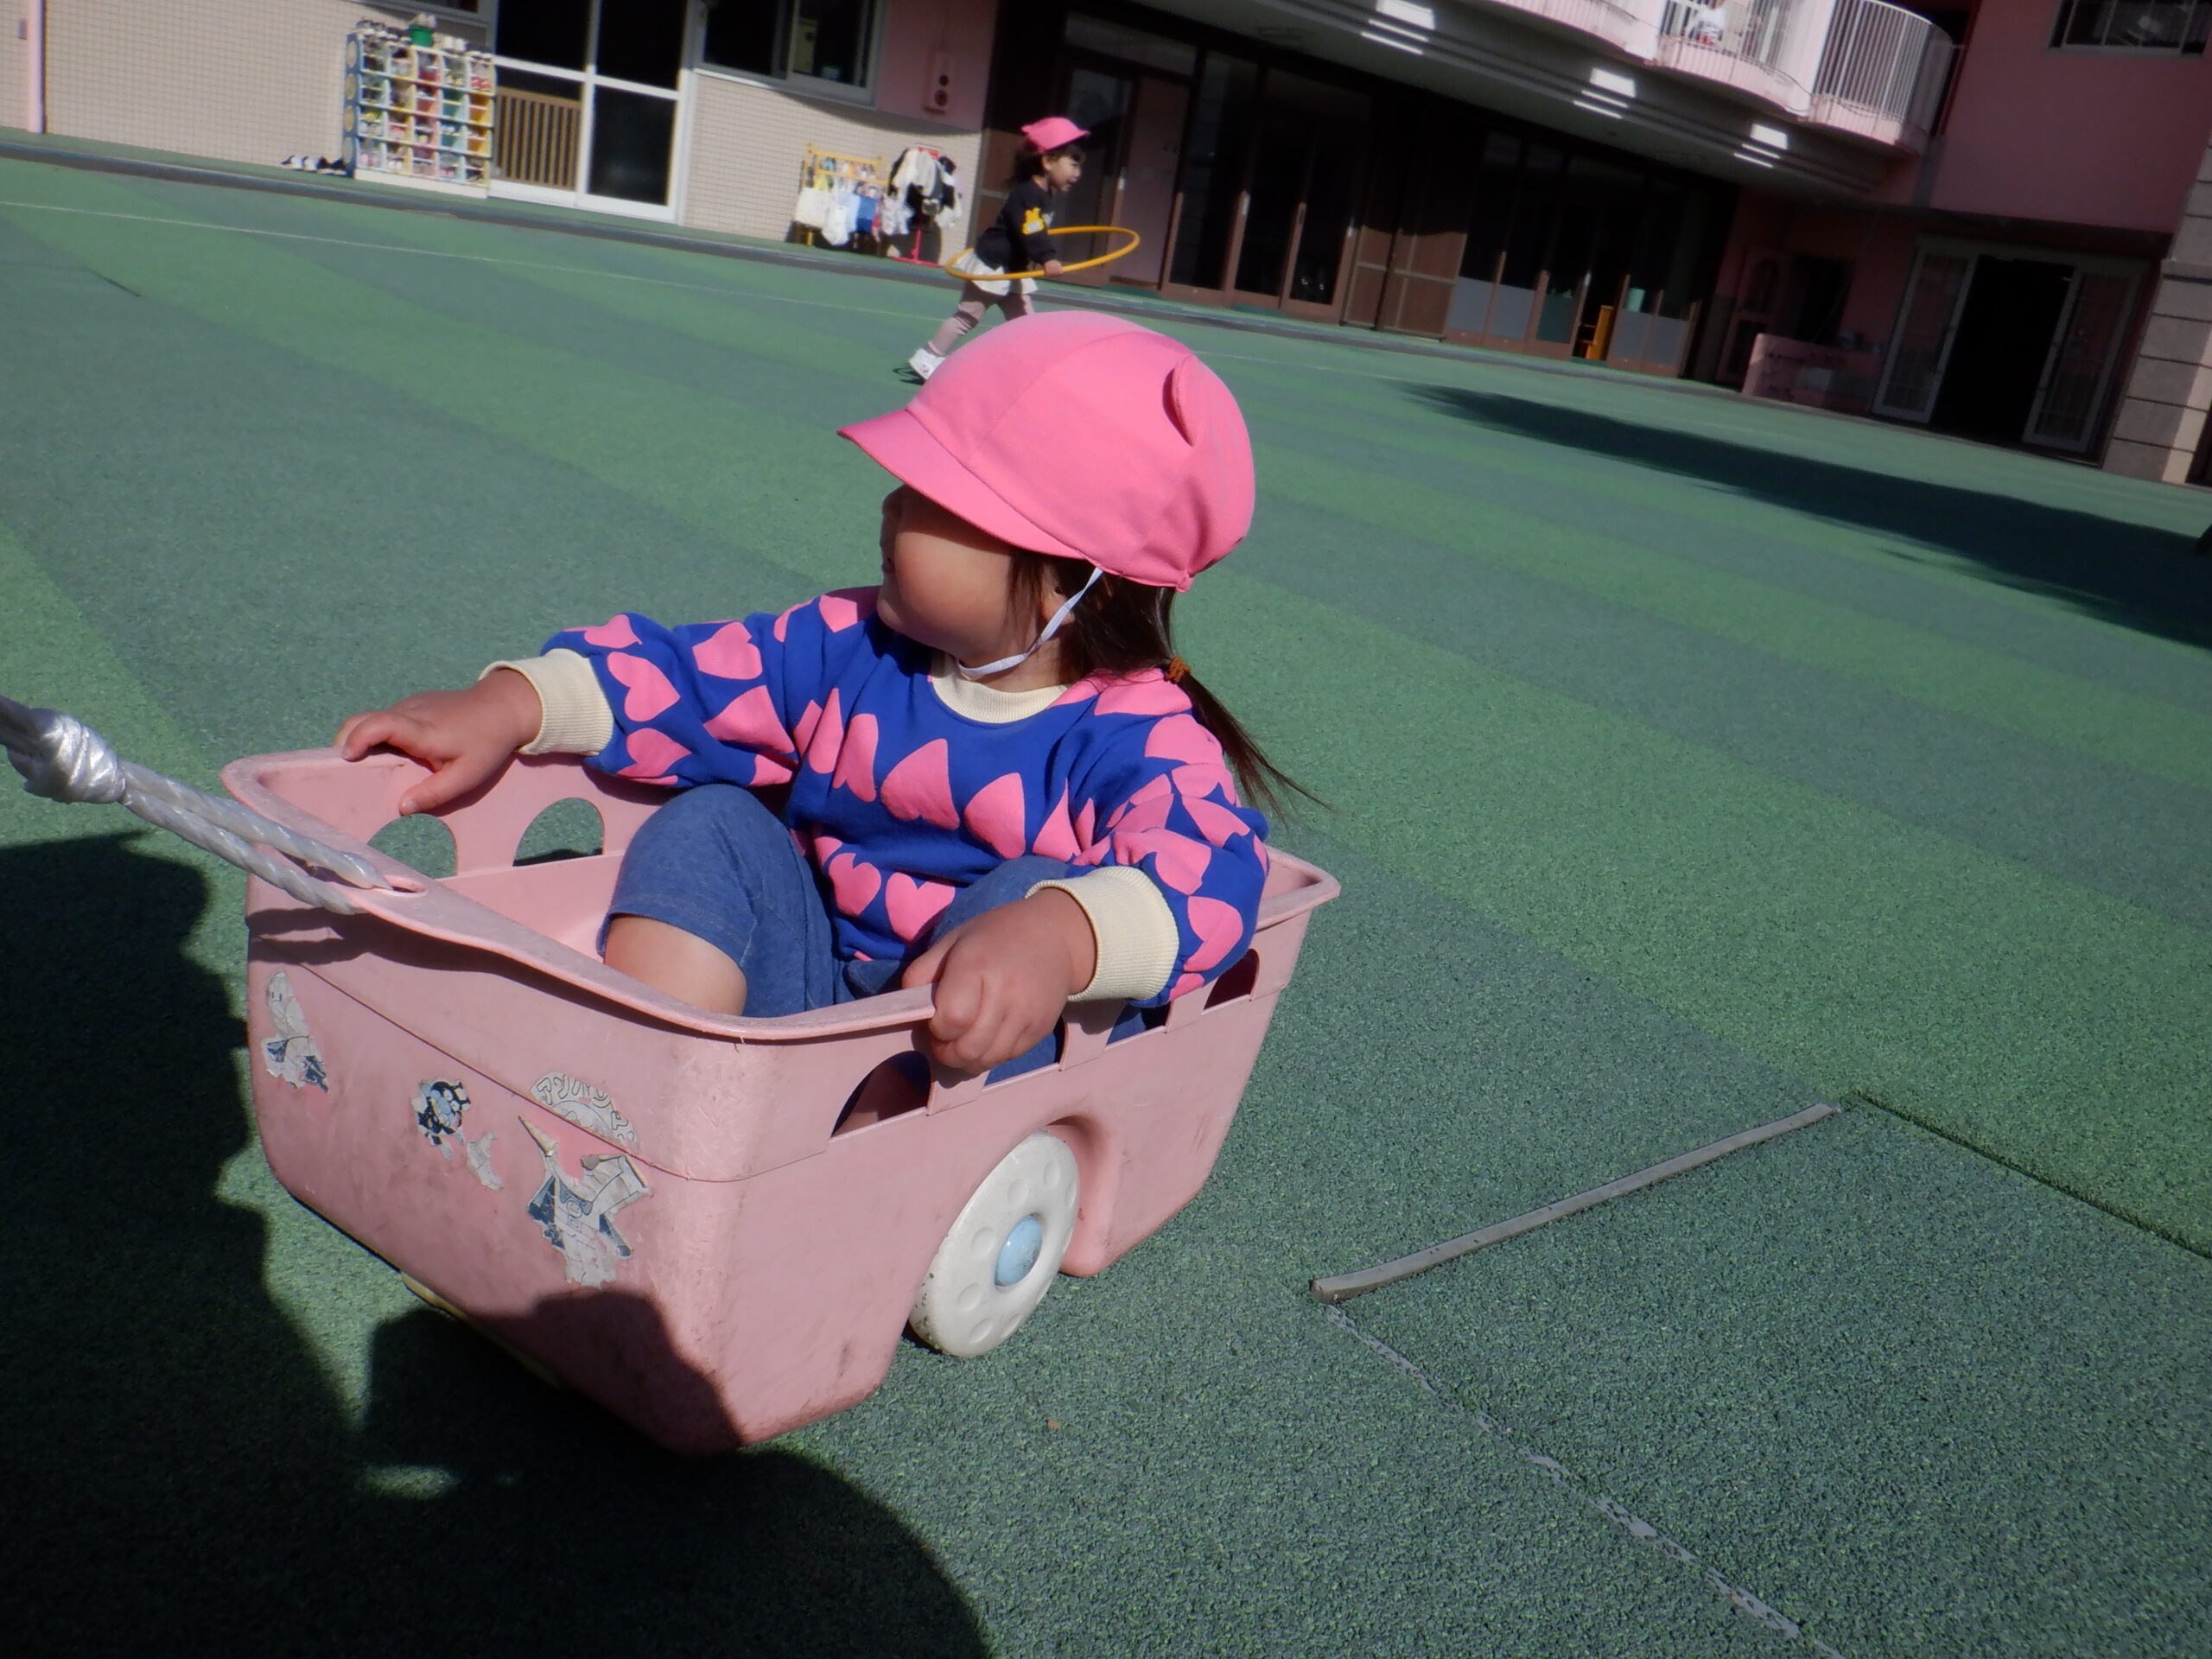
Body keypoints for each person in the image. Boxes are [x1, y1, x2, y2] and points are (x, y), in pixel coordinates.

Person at [336, 312, 1303, 1079]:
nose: (889, 505)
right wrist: (512, 702)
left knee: (1027, 896)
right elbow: (686, 680)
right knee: (714, 820)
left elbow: (1217, 874)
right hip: (809, 996)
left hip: (959, 1052)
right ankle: (654, 1076)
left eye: (933, 497)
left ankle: (870, 1156)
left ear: (1067, 577)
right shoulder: (849, 645)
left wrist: (1062, 937)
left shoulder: (1137, 736)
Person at [906, 116, 1087, 384]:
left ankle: (1027, 371)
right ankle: (929, 356)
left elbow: (1034, 232)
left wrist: (1038, 257)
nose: (1078, 174)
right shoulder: (1028, 194)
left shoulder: (1044, 195)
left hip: (1012, 269)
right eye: (1073, 164)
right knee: (968, 316)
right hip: (992, 265)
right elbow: (1032, 231)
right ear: (1048, 161)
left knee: (1025, 323)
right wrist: (1047, 258)